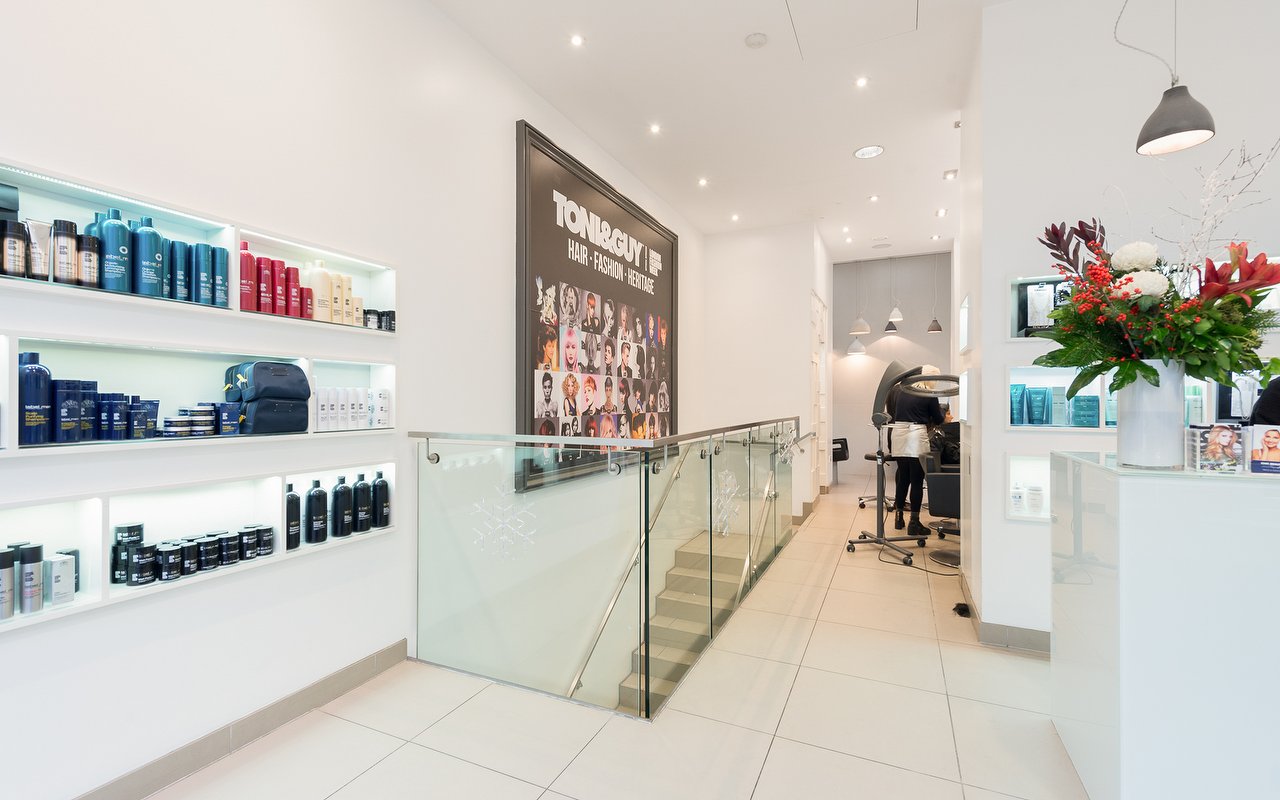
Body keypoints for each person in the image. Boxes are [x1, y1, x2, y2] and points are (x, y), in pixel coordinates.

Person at [888, 365, 944, 536]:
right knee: (917, 480)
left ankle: (898, 518)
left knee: (903, 477)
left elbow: (893, 411)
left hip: (898, 433)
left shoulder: (901, 390)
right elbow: (938, 419)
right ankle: (914, 522)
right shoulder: (928, 393)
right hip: (915, 435)